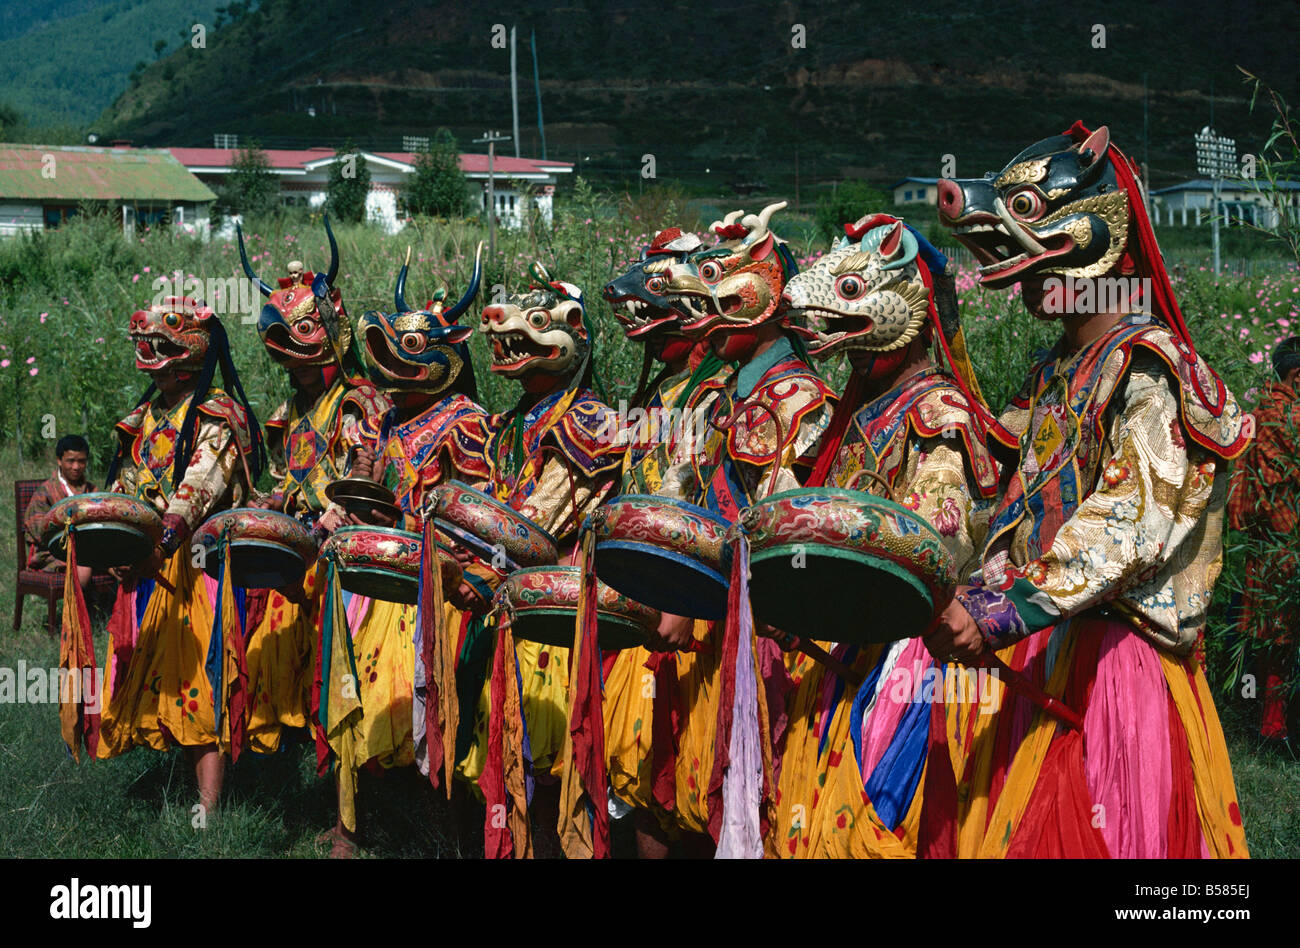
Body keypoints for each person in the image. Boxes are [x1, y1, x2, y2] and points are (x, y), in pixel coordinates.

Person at [924, 123, 1252, 857]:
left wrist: (1003, 608)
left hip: (1113, 668)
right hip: (1038, 650)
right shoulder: (1053, 373)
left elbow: (1130, 523)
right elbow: (995, 506)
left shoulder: (1149, 366)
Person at [769, 214, 1003, 857]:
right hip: (842, 636)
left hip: (904, 652)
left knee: (868, 824)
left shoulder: (935, 412)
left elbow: (936, 545)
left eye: (850, 296)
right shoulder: (855, 410)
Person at [652, 202, 836, 857]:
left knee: (748, 799)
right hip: (709, 609)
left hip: (759, 627)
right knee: (691, 788)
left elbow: (788, 529)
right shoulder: (730, 393)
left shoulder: (797, 399)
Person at [315, 245, 492, 857]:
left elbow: (478, 511)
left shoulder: (467, 421)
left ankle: (441, 835)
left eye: (406, 357)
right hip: (378, 582)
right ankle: (350, 832)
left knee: (429, 711)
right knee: (360, 707)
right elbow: (365, 491)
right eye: (385, 356)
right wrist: (349, 500)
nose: (391, 368)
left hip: (434, 589)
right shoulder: (384, 420)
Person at [475, 262, 626, 857]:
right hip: (508, 594)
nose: (504, 329)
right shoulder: (509, 421)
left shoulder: (591, 419)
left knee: (557, 751)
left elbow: (536, 520)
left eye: (536, 323)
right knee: (515, 752)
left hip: (559, 604)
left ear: (573, 332)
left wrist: (479, 560)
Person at [95, 295, 265, 820]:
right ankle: (172, 788)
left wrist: (156, 548)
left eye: (163, 344)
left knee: (201, 685)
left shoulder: (218, 415)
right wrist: (118, 550)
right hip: (147, 569)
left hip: (198, 572)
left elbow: (198, 491)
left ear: (193, 350)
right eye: (146, 345)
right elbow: (124, 490)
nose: (151, 353)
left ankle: (208, 811)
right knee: (156, 682)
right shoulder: (144, 417)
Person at [236, 219, 391, 761]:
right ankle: (289, 749)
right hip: (299, 543)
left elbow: (362, 476)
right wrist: (265, 507)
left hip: (339, 548)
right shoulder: (292, 411)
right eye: (291, 364)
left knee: (338, 662)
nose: (300, 373)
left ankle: (344, 762)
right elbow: (284, 480)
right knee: (273, 648)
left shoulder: (359, 400)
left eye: (308, 359)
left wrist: (331, 520)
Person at [599, 227, 731, 857]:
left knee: (695, 771)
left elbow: (727, 508)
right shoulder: (661, 391)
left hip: (698, 605)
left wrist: (685, 605)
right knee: (647, 767)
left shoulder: (724, 390)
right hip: (643, 595)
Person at [1228, 336, 1300, 744]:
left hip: (1264, 542)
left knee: (1269, 637)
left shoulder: (1255, 416)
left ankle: (1260, 718)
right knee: (1285, 637)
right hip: (1289, 542)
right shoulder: (1291, 419)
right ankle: (1275, 727)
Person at [23, 434, 98, 592]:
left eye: (82, 461)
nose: (76, 467)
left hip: (88, 548)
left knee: (122, 561)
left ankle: (117, 613)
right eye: (71, 461)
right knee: (83, 569)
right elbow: (39, 531)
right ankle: (76, 615)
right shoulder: (45, 491)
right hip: (53, 552)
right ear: (59, 460)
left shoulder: (92, 490)